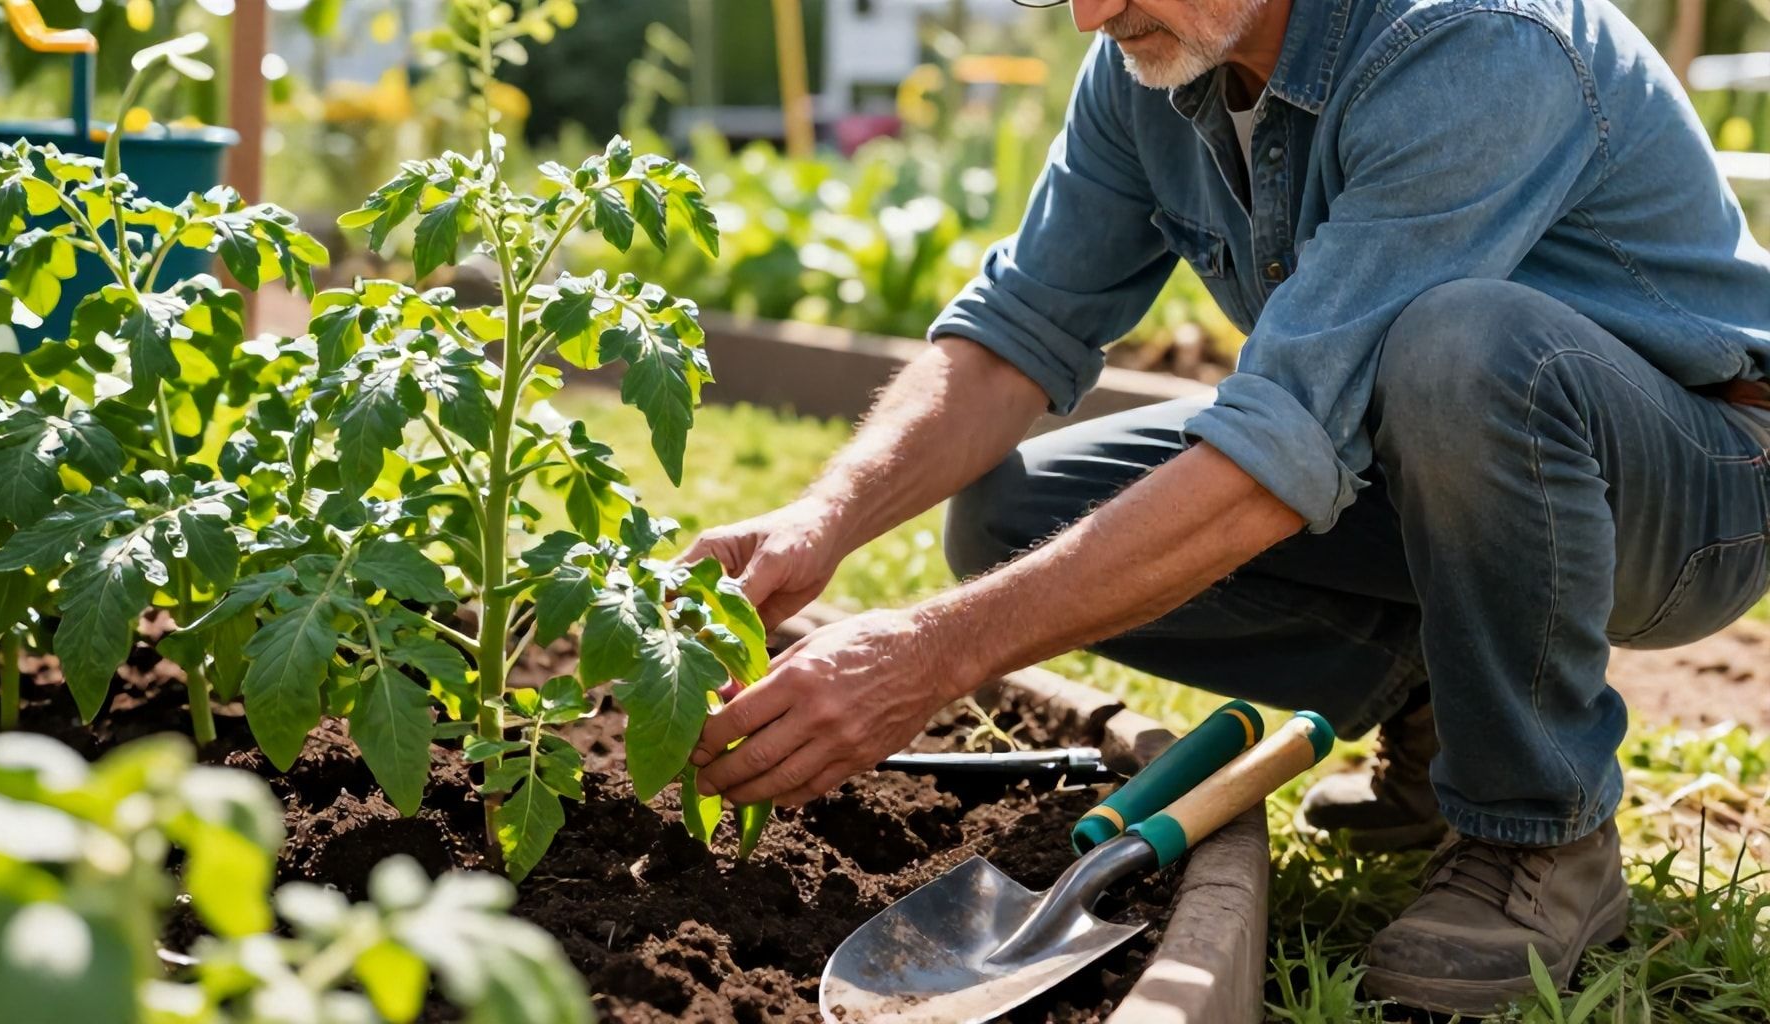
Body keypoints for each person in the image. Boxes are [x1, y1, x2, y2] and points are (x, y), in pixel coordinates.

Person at [683, 0, 1770, 1012]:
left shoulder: (1477, 41)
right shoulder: (1153, 66)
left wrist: (928, 655)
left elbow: (1279, 446)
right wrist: (817, 519)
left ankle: (1541, 831)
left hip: (1699, 481)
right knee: (1014, 513)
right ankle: (1445, 689)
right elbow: (1017, 329)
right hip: (1443, 466)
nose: (1091, 15)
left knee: (1458, 346)